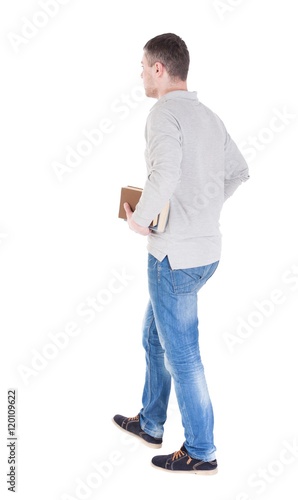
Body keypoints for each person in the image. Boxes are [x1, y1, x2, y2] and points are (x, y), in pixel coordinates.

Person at [113, 33, 249, 474]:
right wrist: (202, 207)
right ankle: (151, 422)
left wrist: (142, 219)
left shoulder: (162, 113)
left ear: (159, 69)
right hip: (206, 252)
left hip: (172, 257)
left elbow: (166, 171)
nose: (140, 74)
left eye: (143, 66)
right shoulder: (208, 116)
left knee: (182, 355)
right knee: (155, 338)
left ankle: (201, 450)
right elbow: (237, 172)